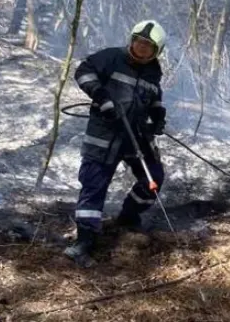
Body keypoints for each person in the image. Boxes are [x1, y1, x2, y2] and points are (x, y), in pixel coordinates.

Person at [64, 20, 168, 266]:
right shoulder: (111, 57)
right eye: (138, 41)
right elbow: (83, 71)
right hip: (105, 135)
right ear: (131, 40)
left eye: (148, 46)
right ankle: (84, 243)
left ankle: (129, 216)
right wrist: (102, 97)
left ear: (156, 51)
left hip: (136, 137)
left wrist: (158, 117)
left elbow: (154, 98)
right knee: (94, 186)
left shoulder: (154, 71)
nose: (141, 47)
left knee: (153, 178)